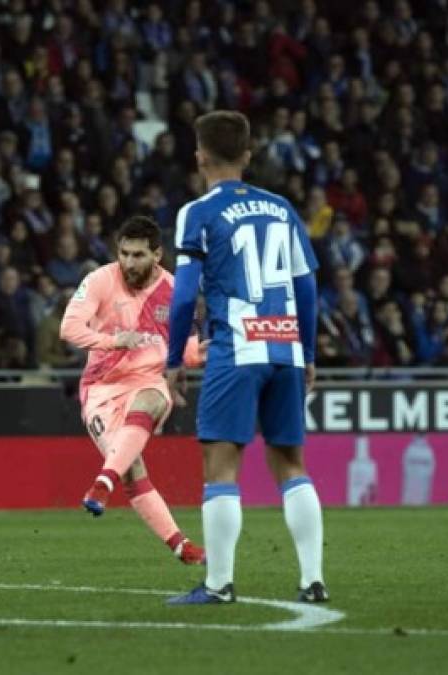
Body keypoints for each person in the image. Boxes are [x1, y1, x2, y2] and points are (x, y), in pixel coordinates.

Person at [165, 110, 326, 605]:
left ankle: (218, 584)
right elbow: (307, 287)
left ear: (200, 157)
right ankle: (312, 580)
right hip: (286, 345)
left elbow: (183, 295)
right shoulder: (283, 209)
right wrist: (310, 353)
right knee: (290, 463)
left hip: (236, 346)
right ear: (249, 155)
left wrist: (174, 359)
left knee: (220, 464)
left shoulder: (198, 212)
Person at [60, 215, 207, 565]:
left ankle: (101, 482)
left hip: (146, 380)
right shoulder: (99, 280)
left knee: (154, 397)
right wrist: (113, 341)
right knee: (132, 469)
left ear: (157, 255)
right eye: (124, 253)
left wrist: (206, 352)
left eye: (138, 255)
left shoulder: (176, 292)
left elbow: (186, 353)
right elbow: (69, 328)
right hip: (100, 388)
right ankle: (180, 546)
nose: (128, 262)